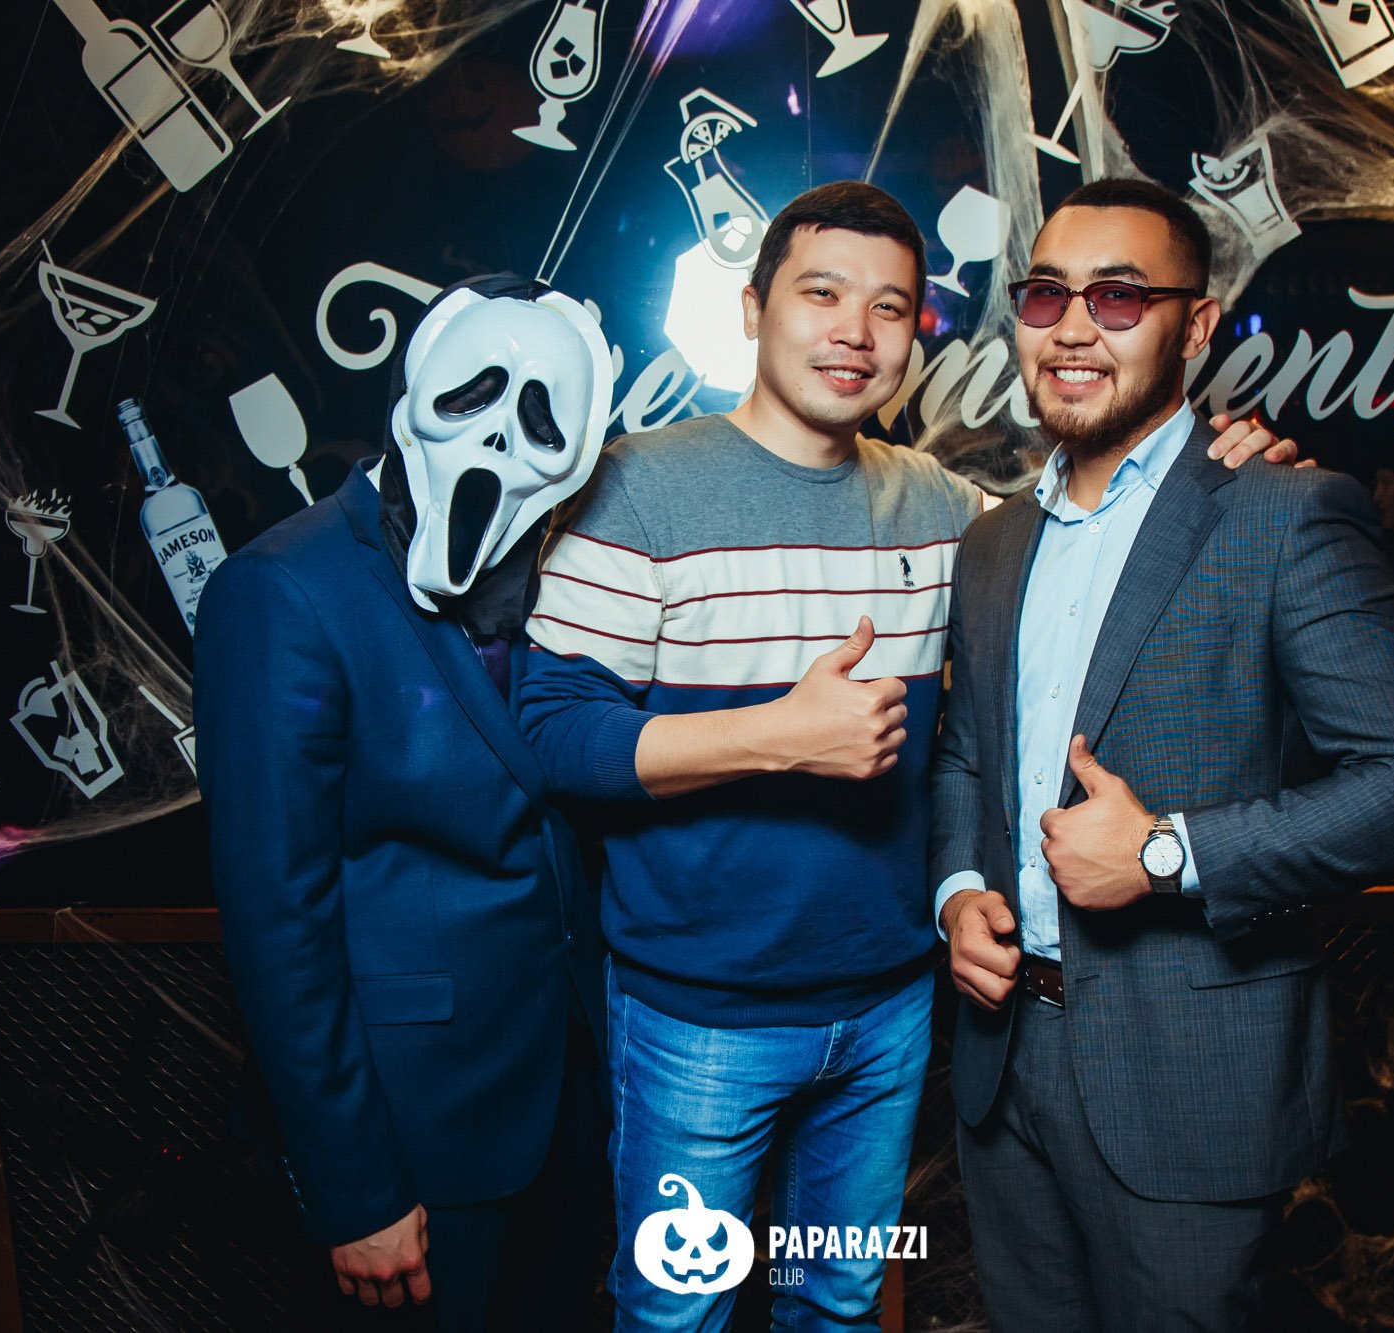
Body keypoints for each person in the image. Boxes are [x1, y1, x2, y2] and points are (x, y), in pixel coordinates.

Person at [516, 182, 1295, 1333]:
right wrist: (773, 736)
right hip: (699, 1018)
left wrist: (1220, 469)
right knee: (677, 1312)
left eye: (888, 308)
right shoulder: (638, 488)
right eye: (820, 294)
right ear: (751, 309)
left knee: (834, 1301)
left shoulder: (942, 509)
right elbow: (550, 735)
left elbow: (1100, 532)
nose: (854, 331)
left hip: (886, 1010)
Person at [932, 177, 1394, 1332]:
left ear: (1194, 326)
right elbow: (969, 760)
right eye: (1044, 295)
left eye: (1117, 297)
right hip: (1001, 1061)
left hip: (1185, 1075)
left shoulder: (1282, 514)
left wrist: (1163, 855)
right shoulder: (991, 544)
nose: (1071, 327)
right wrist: (960, 892)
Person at [193, 275, 613, 1331]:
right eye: (473, 395)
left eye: (541, 419)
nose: (500, 439)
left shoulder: (567, 576)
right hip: (417, 1132)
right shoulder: (282, 588)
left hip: (568, 1107)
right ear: (415, 389)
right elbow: (276, 918)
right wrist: (356, 1188)